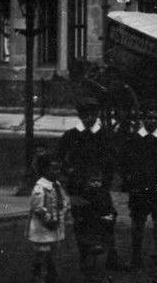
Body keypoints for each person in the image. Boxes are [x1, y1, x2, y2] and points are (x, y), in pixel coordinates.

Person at [56, 100, 123, 271]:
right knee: (82, 222)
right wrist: (70, 174)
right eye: (85, 115)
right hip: (78, 188)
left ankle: (111, 255)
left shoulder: (105, 135)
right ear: (80, 116)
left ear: (98, 115)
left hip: (100, 187)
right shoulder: (70, 136)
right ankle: (85, 258)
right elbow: (58, 160)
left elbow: (114, 160)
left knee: (107, 218)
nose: (89, 118)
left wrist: (106, 179)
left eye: (93, 114)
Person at [122, 107, 157, 268]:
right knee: (137, 224)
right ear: (143, 119)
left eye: (155, 118)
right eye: (148, 117)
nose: (152, 121)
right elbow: (125, 164)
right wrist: (131, 183)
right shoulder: (133, 139)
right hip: (139, 190)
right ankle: (136, 256)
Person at [27, 154, 71, 283]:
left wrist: (65, 209)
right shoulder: (40, 188)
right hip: (44, 226)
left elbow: (63, 199)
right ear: (44, 170)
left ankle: (51, 276)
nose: (56, 172)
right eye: (53, 169)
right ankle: (36, 275)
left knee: (53, 251)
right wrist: (48, 219)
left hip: (55, 224)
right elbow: (38, 207)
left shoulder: (56, 185)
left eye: (58, 169)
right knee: (42, 251)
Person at [70, 172, 117, 279]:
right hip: (86, 226)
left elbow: (111, 208)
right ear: (87, 182)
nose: (96, 184)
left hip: (102, 225)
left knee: (103, 246)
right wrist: (101, 218)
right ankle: (88, 272)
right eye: (92, 181)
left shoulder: (104, 194)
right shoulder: (83, 195)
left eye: (98, 181)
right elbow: (81, 214)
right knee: (87, 250)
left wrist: (111, 215)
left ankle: (108, 263)